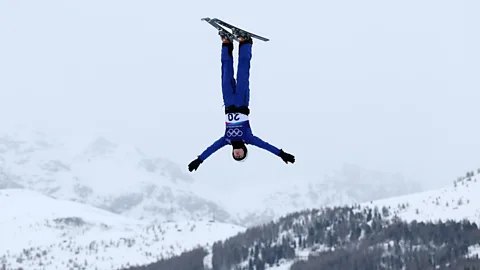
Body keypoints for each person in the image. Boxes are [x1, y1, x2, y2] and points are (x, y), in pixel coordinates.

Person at [188, 29, 295, 172]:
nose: (237, 154)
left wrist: (199, 160)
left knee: (226, 73)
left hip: (228, 102)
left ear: (232, 152)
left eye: (235, 156)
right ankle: (246, 42)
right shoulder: (248, 139)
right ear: (245, 151)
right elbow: (265, 146)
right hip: (242, 102)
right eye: (241, 155)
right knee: (242, 72)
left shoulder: (226, 140)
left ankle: (226, 43)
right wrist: (281, 154)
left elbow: (211, 149)